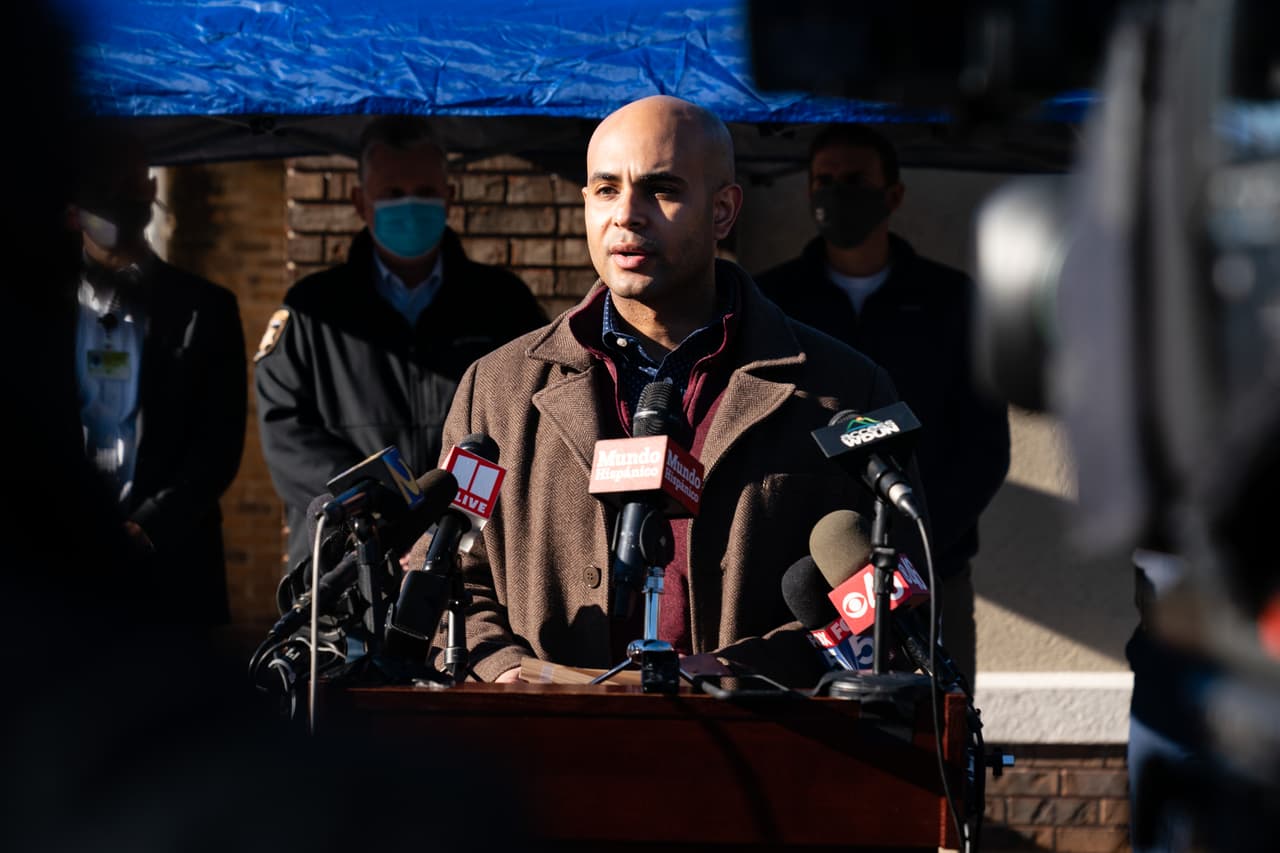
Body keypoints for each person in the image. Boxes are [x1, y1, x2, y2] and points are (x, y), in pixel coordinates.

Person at [437, 96, 920, 686]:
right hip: (544, 751)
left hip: (761, 750)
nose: (628, 215)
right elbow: (449, 574)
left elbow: (887, 599)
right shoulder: (497, 388)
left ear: (723, 211)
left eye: (661, 189)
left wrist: (733, 675)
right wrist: (505, 669)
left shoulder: (842, 389)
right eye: (606, 190)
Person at [756, 125, 1010, 683]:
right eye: (824, 181)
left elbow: (985, 448)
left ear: (892, 195)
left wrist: (912, 548)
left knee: (935, 737)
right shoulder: (772, 303)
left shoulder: (953, 301)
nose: (837, 194)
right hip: (806, 588)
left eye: (855, 181)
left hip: (929, 579)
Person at [255, 116, 546, 570]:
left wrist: (448, 520)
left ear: (449, 197)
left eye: (426, 192)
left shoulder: (504, 304)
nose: (410, 206)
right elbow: (288, 435)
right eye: (392, 193)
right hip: (346, 564)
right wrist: (388, 511)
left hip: (468, 566)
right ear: (360, 201)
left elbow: (533, 419)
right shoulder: (313, 309)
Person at [65, 124, 247, 626]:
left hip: (174, 574)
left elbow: (218, 448)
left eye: (128, 183)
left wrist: (145, 527)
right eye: (102, 187)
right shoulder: (30, 309)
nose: (117, 200)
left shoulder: (205, 309)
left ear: (149, 189)